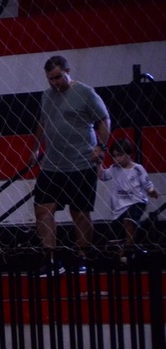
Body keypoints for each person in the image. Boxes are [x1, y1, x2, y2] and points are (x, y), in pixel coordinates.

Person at [31, 55, 111, 276]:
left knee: (80, 212)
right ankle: (51, 259)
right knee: (42, 209)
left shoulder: (85, 92)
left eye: (58, 77)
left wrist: (101, 147)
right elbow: (42, 121)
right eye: (50, 79)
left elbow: (104, 119)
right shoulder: (47, 96)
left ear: (67, 71)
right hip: (52, 164)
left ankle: (82, 257)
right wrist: (35, 148)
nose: (54, 82)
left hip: (81, 162)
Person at [99, 138, 159, 264]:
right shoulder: (114, 169)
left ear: (129, 154)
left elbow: (147, 183)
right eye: (115, 156)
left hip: (136, 202)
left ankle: (129, 249)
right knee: (114, 240)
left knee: (129, 221)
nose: (117, 159)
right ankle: (123, 257)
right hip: (119, 207)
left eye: (120, 155)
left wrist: (151, 191)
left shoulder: (137, 168)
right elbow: (102, 176)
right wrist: (98, 163)